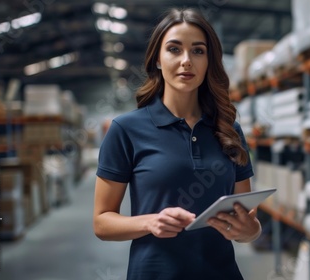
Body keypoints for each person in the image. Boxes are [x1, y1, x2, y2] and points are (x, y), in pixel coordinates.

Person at [93, 8, 261, 280]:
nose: (186, 61)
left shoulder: (230, 131)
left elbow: (248, 221)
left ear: (209, 61)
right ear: (157, 60)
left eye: (198, 51)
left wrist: (250, 231)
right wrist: (151, 222)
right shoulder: (126, 130)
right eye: (174, 49)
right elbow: (102, 222)